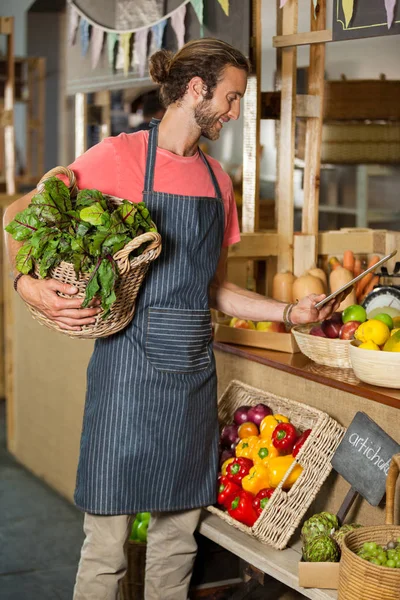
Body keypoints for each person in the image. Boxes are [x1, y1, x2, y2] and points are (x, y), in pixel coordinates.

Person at [4, 38, 341, 600]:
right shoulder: (119, 155)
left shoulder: (218, 181)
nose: (234, 113)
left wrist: (289, 311)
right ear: (196, 89)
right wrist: (27, 285)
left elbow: (215, 288)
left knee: (178, 542)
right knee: (108, 544)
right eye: (231, 99)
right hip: (124, 376)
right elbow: (19, 214)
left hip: (191, 374)